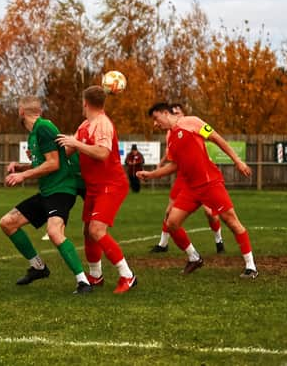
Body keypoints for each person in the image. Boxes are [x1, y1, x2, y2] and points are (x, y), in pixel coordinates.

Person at [137, 102, 258, 278]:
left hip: (210, 183)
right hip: (190, 188)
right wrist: (151, 175)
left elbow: (217, 138)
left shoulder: (191, 122)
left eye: (156, 118)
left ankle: (251, 266)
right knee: (171, 223)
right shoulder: (170, 137)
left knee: (232, 222)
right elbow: (175, 165)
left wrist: (237, 161)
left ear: (165, 113)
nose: (155, 124)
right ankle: (194, 258)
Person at [0, 96, 92, 294]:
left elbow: (54, 163)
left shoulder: (43, 128)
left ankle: (83, 282)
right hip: (47, 191)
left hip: (62, 190)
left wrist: (22, 175)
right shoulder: (35, 133)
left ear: (21, 112)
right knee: (7, 222)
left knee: (54, 232)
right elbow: (44, 162)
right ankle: (38, 267)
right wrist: (20, 166)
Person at [56, 85, 137, 294]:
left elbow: (102, 153)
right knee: (87, 232)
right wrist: (40, 156)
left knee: (96, 230)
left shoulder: (102, 124)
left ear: (85, 102)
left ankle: (127, 275)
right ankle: (95, 275)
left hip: (111, 184)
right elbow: (67, 150)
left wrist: (76, 143)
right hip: (95, 186)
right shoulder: (85, 125)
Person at [150, 103, 225, 254]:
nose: (176, 114)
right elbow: (172, 155)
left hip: (201, 176)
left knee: (210, 213)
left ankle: (219, 240)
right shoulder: (170, 132)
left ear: (182, 114)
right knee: (169, 211)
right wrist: (161, 164)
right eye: (174, 112)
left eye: (178, 112)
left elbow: (210, 138)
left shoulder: (192, 124)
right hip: (182, 176)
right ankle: (163, 244)